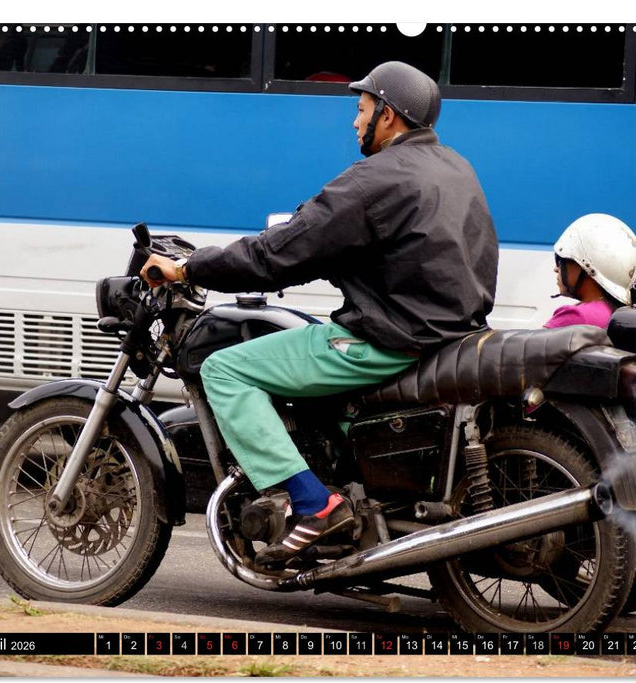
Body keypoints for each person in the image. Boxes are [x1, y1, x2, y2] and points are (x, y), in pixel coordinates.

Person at [142, 61, 499, 567]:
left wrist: (189, 269)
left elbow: (277, 254)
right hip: (452, 334)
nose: (355, 122)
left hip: (389, 340)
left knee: (226, 369)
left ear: (389, 116)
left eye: (362, 109)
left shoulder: (374, 180)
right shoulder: (456, 167)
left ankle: (314, 504)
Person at [545, 213, 636, 329]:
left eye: (561, 261)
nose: (556, 269)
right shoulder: (620, 312)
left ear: (585, 266)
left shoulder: (576, 317)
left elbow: (529, 346)